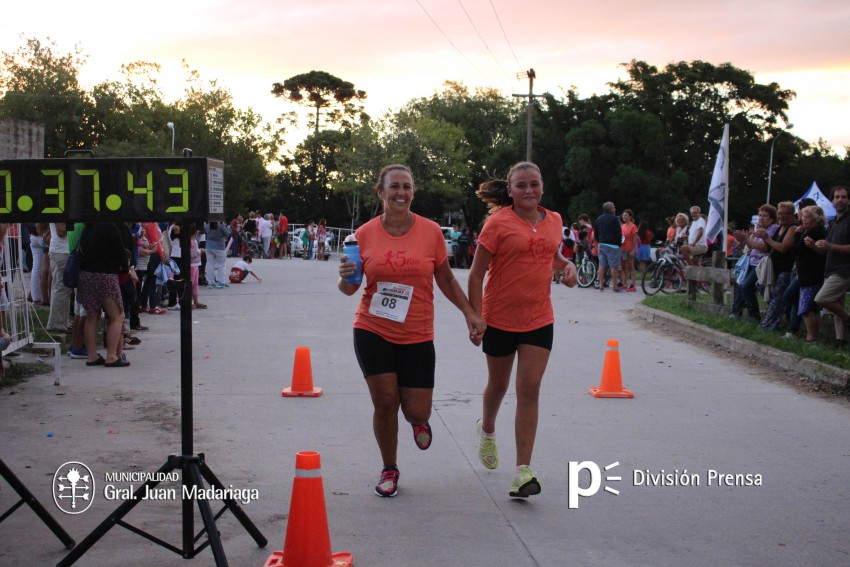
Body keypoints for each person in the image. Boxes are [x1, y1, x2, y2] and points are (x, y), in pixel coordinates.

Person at [337, 164, 485, 498]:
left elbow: (445, 279)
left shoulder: (431, 232)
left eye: (407, 186)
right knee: (385, 402)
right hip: (372, 328)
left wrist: (470, 313)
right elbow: (349, 288)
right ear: (381, 192)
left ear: (413, 193)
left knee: (416, 409)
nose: (401, 192)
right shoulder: (362, 235)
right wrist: (346, 275)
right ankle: (389, 467)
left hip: (417, 332)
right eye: (394, 187)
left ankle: (418, 420)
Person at [467, 161, 577, 499]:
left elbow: (550, 257)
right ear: (510, 191)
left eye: (534, 183)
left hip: (539, 319)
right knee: (498, 386)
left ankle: (522, 471)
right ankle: (486, 430)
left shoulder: (555, 220)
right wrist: (475, 316)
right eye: (521, 185)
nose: (528, 190)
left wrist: (568, 266)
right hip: (499, 318)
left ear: (542, 186)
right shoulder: (497, 224)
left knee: (528, 388)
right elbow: (475, 274)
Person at [78, 222, 130, 367]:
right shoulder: (111, 227)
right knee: (117, 316)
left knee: (91, 317)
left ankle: (91, 356)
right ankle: (112, 356)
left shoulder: (88, 228)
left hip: (86, 274)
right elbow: (120, 251)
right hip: (106, 275)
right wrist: (126, 268)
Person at [813, 186, 850, 345]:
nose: (840, 200)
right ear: (832, 201)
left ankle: (849, 319)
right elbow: (826, 250)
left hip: (844, 270)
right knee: (837, 306)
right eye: (837, 197)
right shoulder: (833, 222)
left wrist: (830, 246)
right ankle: (840, 341)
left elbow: (833, 247)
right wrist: (814, 246)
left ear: (848, 200)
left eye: (843, 197)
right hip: (831, 267)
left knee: (821, 299)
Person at [729, 205, 779, 320]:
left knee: (747, 287)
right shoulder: (758, 228)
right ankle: (736, 313)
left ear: (772, 218)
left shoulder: (773, 228)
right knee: (741, 285)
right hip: (751, 261)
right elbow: (751, 246)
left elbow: (763, 247)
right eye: (760, 215)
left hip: (761, 264)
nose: (761, 218)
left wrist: (746, 239)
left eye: (765, 216)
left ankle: (754, 315)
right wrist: (744, 239)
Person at [758, 202, 798, 331]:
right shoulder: (780, 228)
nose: (781, 216)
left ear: (792, 215)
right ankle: (779, 315)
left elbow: (783, 247)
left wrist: (767, 238)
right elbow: (768, 247)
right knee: (761, 287)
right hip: (774, 267)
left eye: (785, 213)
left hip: (785, 268)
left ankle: (769, 325)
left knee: (777, 296)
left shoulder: (792, 228)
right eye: (779, 213)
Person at [794, 206, 827, 341]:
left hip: (809, 274)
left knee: (806, 308)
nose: (803, 220)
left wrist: (797, 234)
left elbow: (796, 250)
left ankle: (810, 337)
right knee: (814, 308)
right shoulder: (820, 231)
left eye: (806, 218)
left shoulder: (812, 233)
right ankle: (814, 336)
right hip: (814, 273)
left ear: (815, 219)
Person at [594, 202, 622, 292]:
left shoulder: (599, 219)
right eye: (614, 208)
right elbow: (618, 232)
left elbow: (596, 233)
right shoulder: (614, 219)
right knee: (613, 266)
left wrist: (600, 241)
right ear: (610, 209)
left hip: (601, 244)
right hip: (613, 245)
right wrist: (619, 244)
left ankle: (601, 285)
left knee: (602, 265)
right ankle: (615, 286)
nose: (615, 209)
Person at [619, 209, 638, 291]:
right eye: (623, 215)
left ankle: (633, 285)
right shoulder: (622, 226)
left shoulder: (633, 226)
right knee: (623, 267)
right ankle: (624, 283)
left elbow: (635, 239)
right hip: (622, 248)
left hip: (629, 248)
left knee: (631, 267)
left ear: (630, 217)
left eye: (626, 215)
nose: (624, 217)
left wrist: (632, 250)